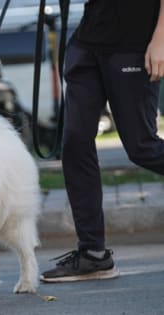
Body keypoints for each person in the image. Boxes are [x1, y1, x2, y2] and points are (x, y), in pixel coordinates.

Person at [41, 0, 164, 283]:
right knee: (74, 142)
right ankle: (93, 255)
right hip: (89, 38)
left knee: (142, 147)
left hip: (135, 42)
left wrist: (161, 38)